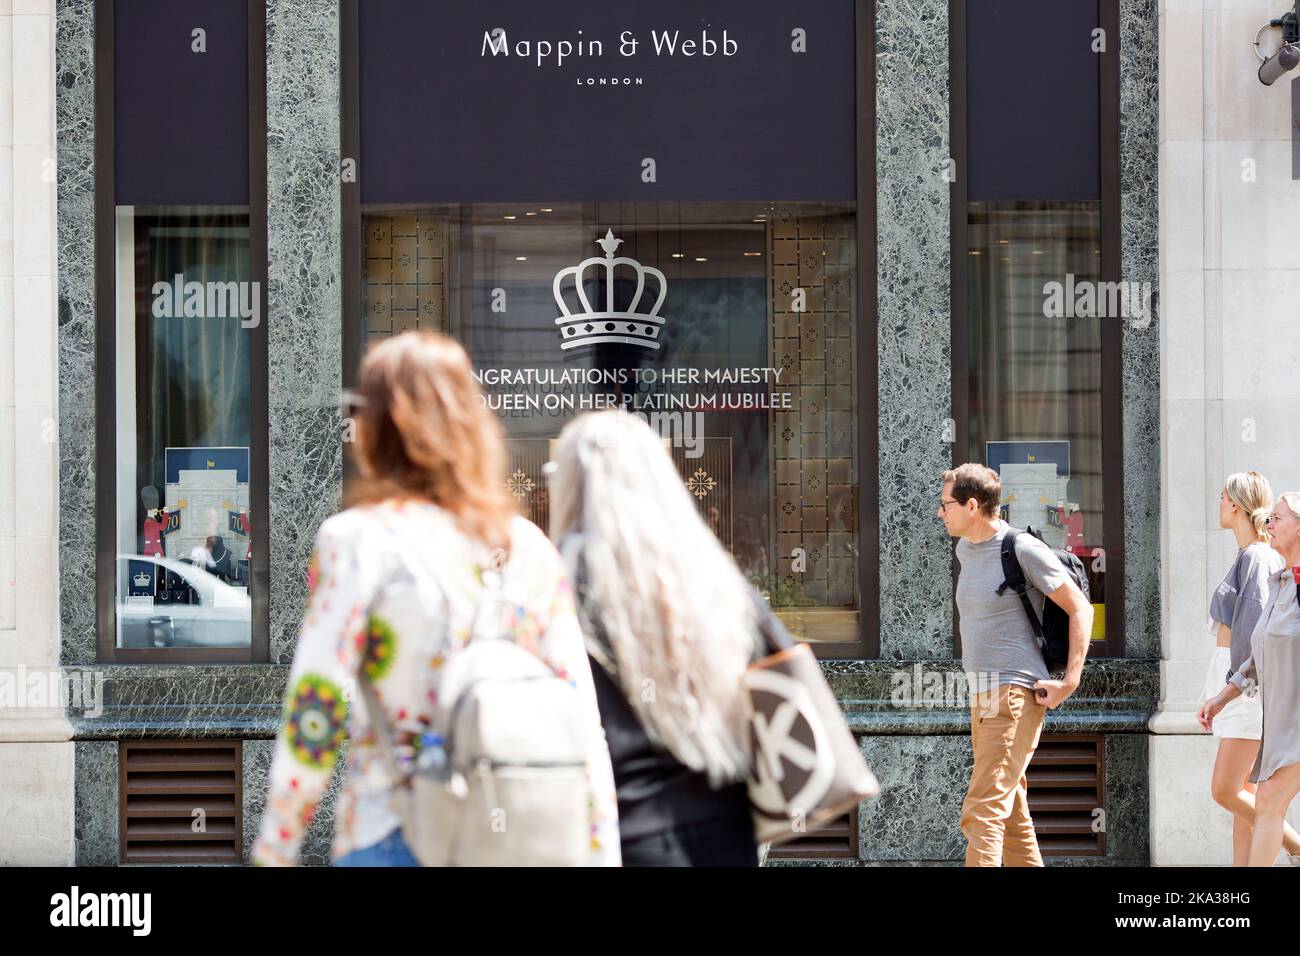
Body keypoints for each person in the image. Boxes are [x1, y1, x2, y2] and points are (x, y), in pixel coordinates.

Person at [251, 332, 619, 866]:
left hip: (394, 831)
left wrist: (275, 851)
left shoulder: (356, 542)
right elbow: (583, 720)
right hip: (518, 841)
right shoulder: (528, 549)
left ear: (377, 428)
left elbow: (317, 711)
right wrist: (602, 851)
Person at [549, 410, 761, 866]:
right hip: (727, 829)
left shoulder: (557, 581)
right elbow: (779, 672)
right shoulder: (712, 577)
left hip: (618, 835)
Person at [939, 463, 1092, 867]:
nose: (941, 513)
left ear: (972, 505)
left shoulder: (1022, 549)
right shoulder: (964, 549)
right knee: (1009, 812)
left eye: (946, 505)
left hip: (1015, 693)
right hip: (983, 692)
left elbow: (1080, 610)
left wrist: (1070, 681)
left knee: (983, 809)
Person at [1198, 472, 1298, 864]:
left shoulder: (1258, 557)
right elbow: (1259, 639)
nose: (1219, 503)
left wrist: (1235, 689)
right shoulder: (1267, 565)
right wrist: (1225, 691)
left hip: (1257, 693)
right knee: (1253, 793)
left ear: (1235, 504)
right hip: (1247, 687)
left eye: (1222, 496)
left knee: (1235, 791)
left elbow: (1256, 632)